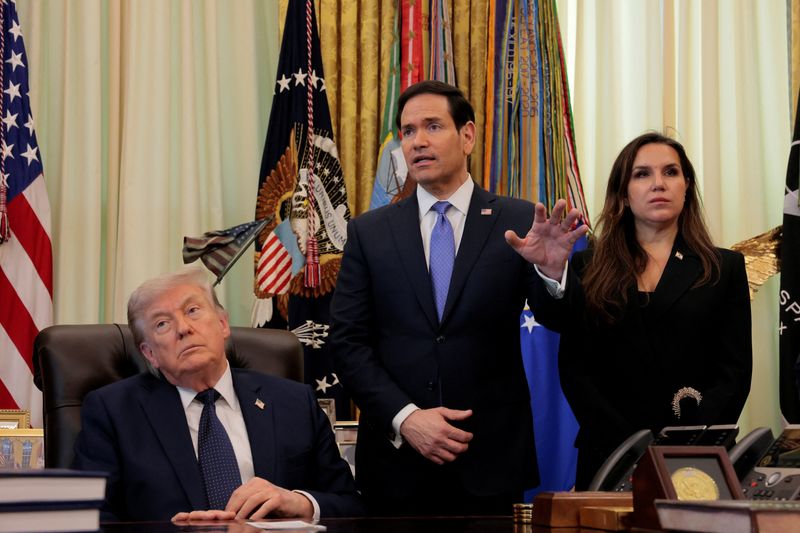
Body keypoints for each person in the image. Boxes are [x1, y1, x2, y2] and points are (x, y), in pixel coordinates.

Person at [329, 80, 556, 515]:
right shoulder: (369, 232)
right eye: (408, 131)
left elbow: (559, 317)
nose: (418, 141)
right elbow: (348, 342)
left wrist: (551, 271)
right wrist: (406, 418)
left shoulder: (519, 218)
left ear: (467, 135)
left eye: (433, 126)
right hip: (397, 464)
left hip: (488, 461)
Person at [506, 132, 752, 489]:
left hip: (696, 459)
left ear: (686, 186)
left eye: (671, 172)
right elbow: (571, 357)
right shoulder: (588, 267)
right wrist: (552, 271)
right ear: (623, 193)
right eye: (642, 174)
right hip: (609, 454)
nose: (658, 183)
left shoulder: (724, 267)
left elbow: (734, 373)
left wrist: (688, 441)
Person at [72, 267, 364, 521]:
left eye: (193, 311)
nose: (183, 329)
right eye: (162, 324)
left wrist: (298, 502)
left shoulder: (294, 402)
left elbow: (349, 506)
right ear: (149, 353)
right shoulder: (113, 412)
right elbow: (89, 516)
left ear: (223, 324)